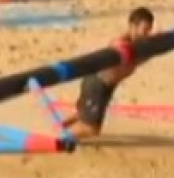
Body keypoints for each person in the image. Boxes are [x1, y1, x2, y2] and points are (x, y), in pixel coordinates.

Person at [61, 8, 157, 139]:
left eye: (149, 30)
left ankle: (56, 129)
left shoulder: (138, 42)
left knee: (83, 114)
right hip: (97, 84)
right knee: (91, 128)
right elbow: (123, 51)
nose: (147, 34)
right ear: (132, 26)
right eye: (145, 29)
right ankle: (58, 139)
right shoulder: (120, 42)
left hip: (105, 86)